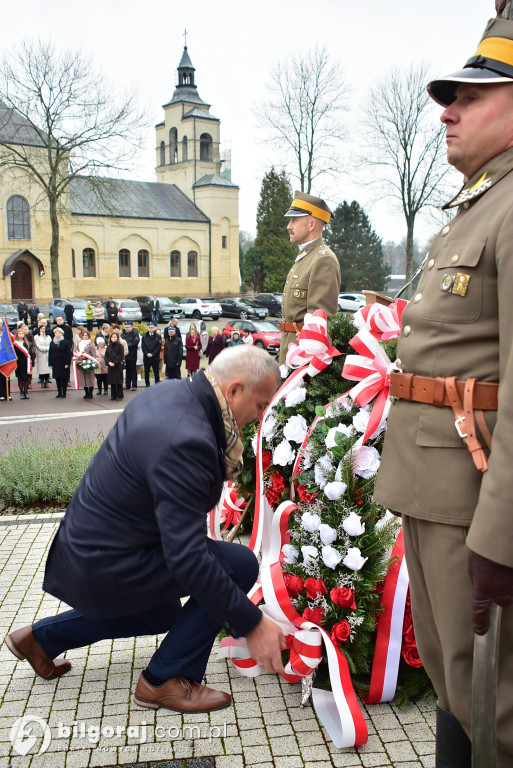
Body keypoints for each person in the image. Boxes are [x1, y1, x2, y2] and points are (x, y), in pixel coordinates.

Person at [374, 17, 513, 767]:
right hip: (435, 488)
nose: (446, 111)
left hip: (477, 504)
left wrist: (501, 537)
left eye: (471, 96)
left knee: (492, 714)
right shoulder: (479, 203)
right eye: (448, 97)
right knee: (461, 697)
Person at [3, 346, 285, 713]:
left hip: (93, 547)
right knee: (240, 565)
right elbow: (188, 559)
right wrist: (253, 624)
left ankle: (38, 640)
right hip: (108, 560)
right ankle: (163, 680)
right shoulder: (189, 438)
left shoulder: (172, 393)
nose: (261, 416)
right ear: (233, 391)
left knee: (160, 613)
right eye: (262, 405)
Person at [280, 191, 341, 364]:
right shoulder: (307, 257)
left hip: (303, 358)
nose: (289, 226)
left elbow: (319, 324)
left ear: (311, 224)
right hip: (290, 350)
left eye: (294, 220)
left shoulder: (323, 259)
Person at [49, 327, 72, 398]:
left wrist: (67, 363)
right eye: (56, 333)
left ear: (62, 334)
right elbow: (50, 353)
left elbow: (69, 354)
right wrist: (50, 363)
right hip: (56, 363)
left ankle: (64, 392)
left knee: (64, 378)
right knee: (57, 378)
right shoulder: (52, 342)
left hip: (63, 363)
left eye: (59, 333)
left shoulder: (65, 342)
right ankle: (59, 392)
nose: (57, 334)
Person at [75, 330, 97, 400]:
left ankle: (90, 393)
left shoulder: (91, 344)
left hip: (88, 363)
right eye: (83, 335)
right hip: (81, 363)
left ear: (88, 336)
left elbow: (94, 354)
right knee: (83, 379)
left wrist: (89, 359)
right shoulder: (79, 343)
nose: (84, 337)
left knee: (89, 379)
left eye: (86, 335)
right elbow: (77, 352)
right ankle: (86, 392)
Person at [13, 328, 33, 400]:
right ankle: (21, 392)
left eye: (22, 334)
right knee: (20, 378)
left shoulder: (26, 343)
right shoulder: (15, 344)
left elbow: (30, 354)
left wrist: (32, 362)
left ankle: (26, 392)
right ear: (17, 335)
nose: (21, 335)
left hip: (26, 363)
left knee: (26, 378)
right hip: (19, 363)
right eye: (20, 333)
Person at [105, 331, 125, 401]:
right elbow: (106, 356)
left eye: (115, 337)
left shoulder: (120, 346)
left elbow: (120, 356)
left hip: (118, 366)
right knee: (112, 382)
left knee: (119, 381)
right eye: (112, 337)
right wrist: (108, 362)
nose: (113, 338)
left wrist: (115, 363)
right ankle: (113, 395)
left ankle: (120, 395)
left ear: (117, 338)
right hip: (110, 366)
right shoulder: (109, 347)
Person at [121, 322, 140, 391]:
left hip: (132, 355)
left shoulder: (135, 334)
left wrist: (126, 346)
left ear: (131, 327)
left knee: (133, 370)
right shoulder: (123, 334)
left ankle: (134, 385)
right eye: (126, 327)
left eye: (128, 327)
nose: (126, 328)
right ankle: (127, 385)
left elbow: (135, 342)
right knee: (127, 371)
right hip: (125, 355)